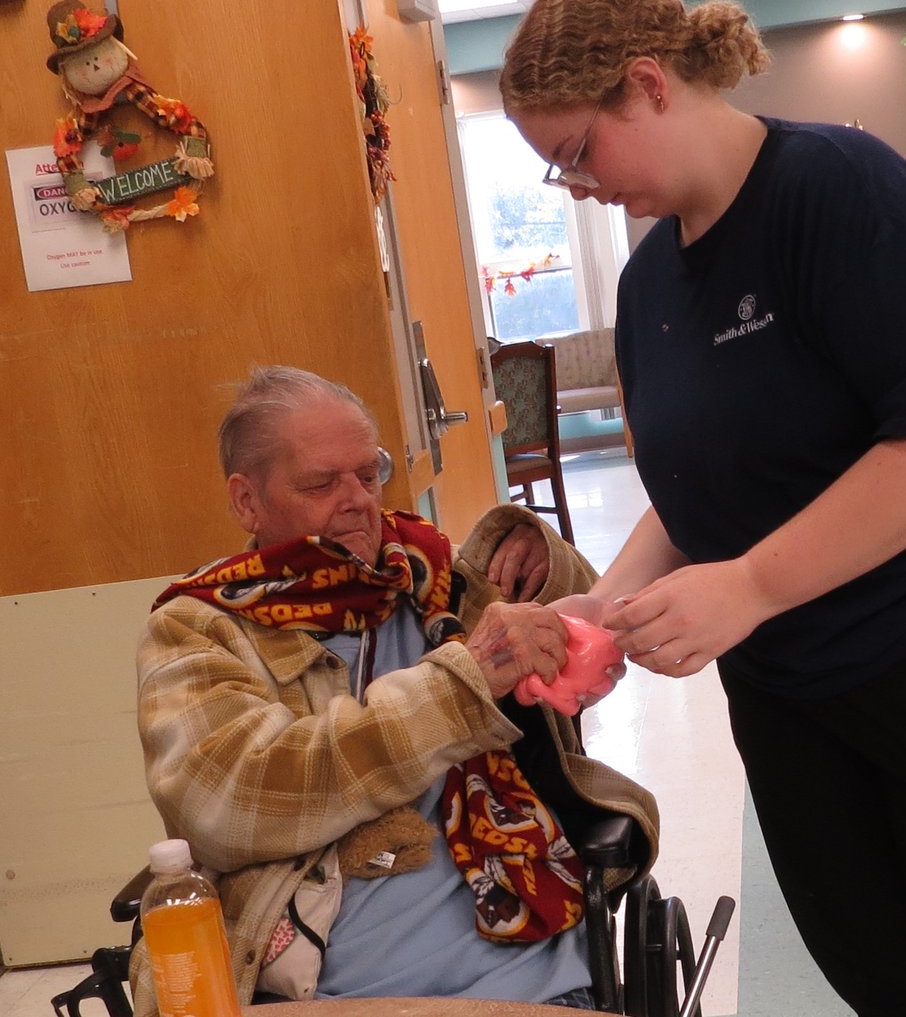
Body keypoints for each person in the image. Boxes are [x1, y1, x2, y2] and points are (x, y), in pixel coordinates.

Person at [500, 0, 906, 1017]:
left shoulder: (844, 192)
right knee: (882, 970)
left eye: (576, 154)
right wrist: (607, 602)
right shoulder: (651, 284)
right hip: (800, 693)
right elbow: (704, 487)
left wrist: (748, 585)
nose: (579, 187)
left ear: (645, 85)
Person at [130, 365, 656, 1017]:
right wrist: (457, 688)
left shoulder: (428, 577)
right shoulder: (197, 629)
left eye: (369, 472)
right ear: (246, 501)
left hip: (526, 974)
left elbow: (588, 638)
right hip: (322, 993)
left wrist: (546, 560)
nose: (358, 500)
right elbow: (228, 800)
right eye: (322, 482)